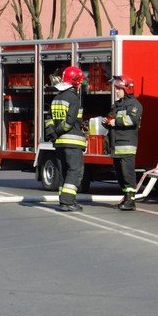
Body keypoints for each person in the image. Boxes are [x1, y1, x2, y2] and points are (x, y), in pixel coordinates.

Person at [44, 66, 87, 212]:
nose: (81, 84)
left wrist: (53, 133)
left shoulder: (56, 98)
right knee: (75, 170)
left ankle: (63, 200)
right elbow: (69, 122)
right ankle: (68, 202)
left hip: (59, 144)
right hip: (72, 142)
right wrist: (57, 131)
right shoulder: (74, 98)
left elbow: (48, 119)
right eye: (80, 81)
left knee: (63, 172)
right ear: (74, 82)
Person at [103, 75, 143, 211]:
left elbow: (132, 120)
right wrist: (107, 121)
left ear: (126, 89)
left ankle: (131, 201)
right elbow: (111, 117)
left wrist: (115, 122)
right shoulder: (118, 105)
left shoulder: (134, 105)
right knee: (120, 175)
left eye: (118, 89)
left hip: (126, 145)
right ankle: (126, 198)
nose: (116, 91)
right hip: (116, 146)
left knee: (128, 174)